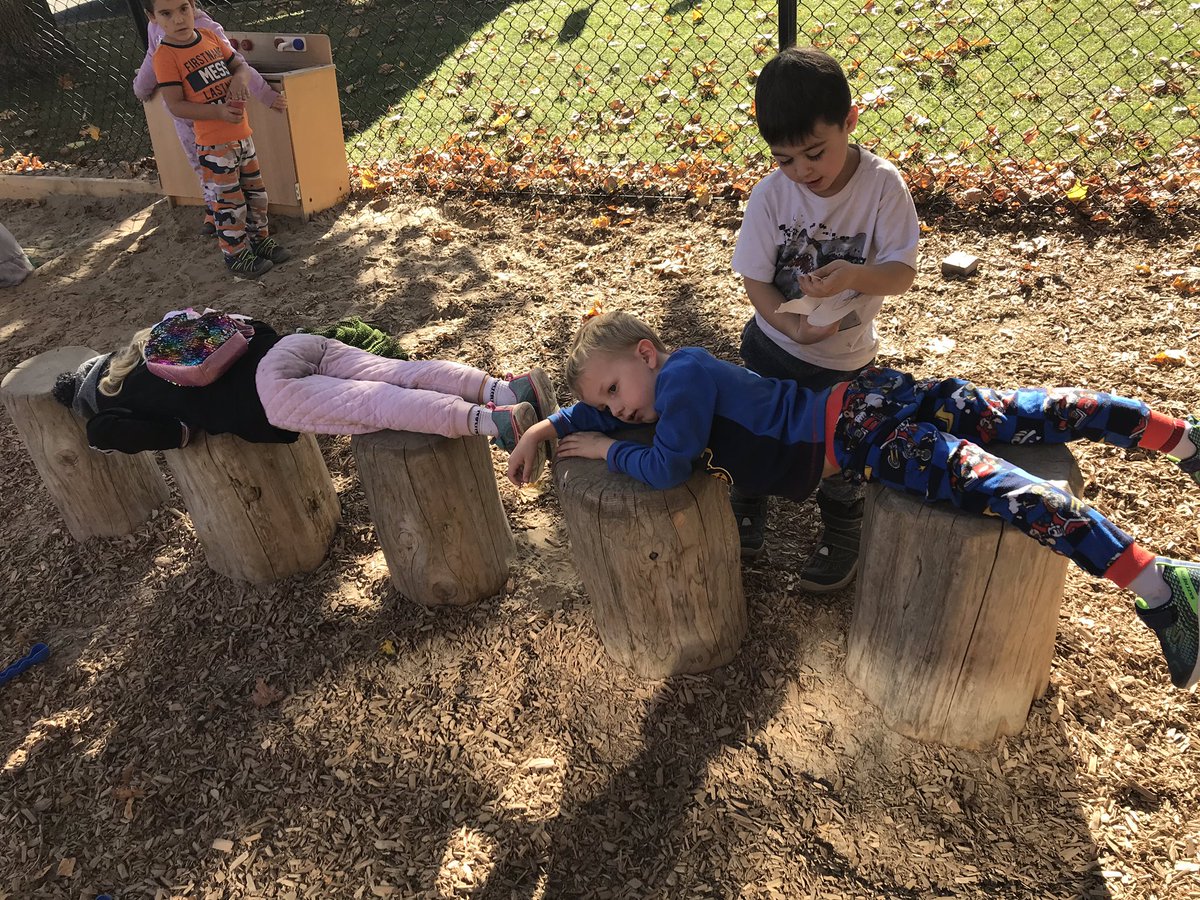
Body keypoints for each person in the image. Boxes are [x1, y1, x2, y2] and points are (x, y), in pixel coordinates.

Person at [506, 311, 1200, 689]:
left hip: (862, 435)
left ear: (647, 353)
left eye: (613, 392)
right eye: (602, 403)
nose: (614, 412)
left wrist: (604, 451)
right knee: (1021, 412)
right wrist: (551, 424)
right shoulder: (665, 382)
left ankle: (1159, 584)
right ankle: (1180, 439)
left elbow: (662, 468)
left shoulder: (681, 381)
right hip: (869, 401)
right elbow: (608, 417)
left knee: (1001, 487)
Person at [729, 46, 920, 591]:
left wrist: (854, 277)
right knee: (754, 431)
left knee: (840, 449)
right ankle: (747, 505)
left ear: (850, 120)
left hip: (844, 357)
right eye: (784, 158)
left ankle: (841, 530)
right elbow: (756, 279)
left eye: (814, 152)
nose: (802, 171)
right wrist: (786, 325)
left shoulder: (882, 187)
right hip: (772, 344)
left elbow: (901, 274)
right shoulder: (771, 195)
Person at [51, 318, 558, 481]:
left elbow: (171, 435)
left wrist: (180, 427)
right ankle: (504, 389)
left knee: (376, 402)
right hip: (292, 346)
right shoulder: (152, 341)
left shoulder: (104, 416)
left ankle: (497, 424)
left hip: (271, 394)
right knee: (398, 371)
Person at [144, 0, 288, 278]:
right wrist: (218, 112)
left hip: (242, 136)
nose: (178, 19)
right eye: (166, 14)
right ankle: (235, 255)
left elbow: (240, 67)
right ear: (153, 19)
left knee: (256, 195)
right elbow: (176, 106)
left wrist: (239, 80)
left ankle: (259, 241)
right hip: (213, 145)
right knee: (228, 202)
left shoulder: (209, 37)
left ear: (193, 6)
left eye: (183, 9)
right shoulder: (164, 56)